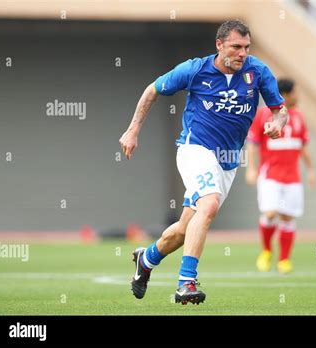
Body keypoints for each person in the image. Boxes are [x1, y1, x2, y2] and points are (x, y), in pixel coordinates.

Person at [119, 20, 287, 305]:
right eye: (235, 47)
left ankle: (146, 260)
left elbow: (279, 110)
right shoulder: (195, 69)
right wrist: (133, 129)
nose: (242, 53)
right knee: (208, 204)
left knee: (185, 230)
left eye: (246, 47)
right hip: (195, 149)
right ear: (219, 45)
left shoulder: (257, 71)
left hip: (228, 161)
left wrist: (277, 123)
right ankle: (186, 282)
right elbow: (153, 90)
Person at [245, 78, 316, 274]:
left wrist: (310, 170)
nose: (298, 96)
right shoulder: (263, 115)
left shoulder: (299, 117)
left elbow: (303, 147)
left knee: (288, 217)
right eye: (296, 92)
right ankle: (267, 251)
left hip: (292, 177)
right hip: (270, 175)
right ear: (285, 94)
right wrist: (251, 168)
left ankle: (284, 260)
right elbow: (253, 143)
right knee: (270, 213)